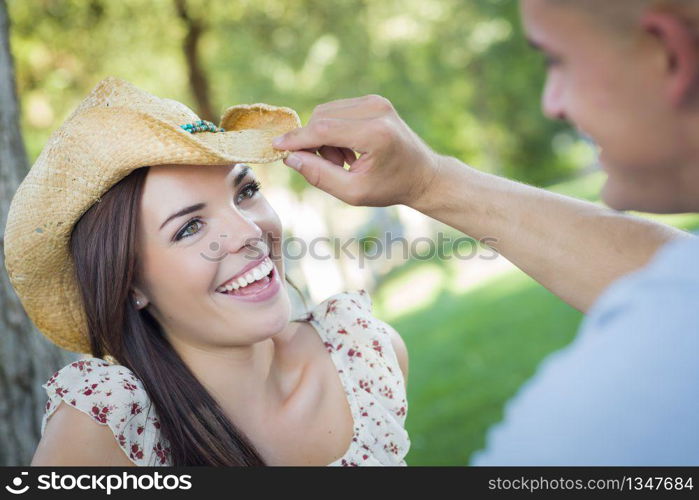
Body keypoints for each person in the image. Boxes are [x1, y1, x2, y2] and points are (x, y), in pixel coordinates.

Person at [271, 0, 699, 465]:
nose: (550, 103)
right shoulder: (677, 311)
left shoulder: (610, 420)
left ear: (670, 55)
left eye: (557, 60)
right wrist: (428, 181)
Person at [3, 77, 409, 466]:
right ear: (130, 285)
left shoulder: (363, 356)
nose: (249, 232)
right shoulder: (112, 425)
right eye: (189, 227)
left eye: (245, 192)